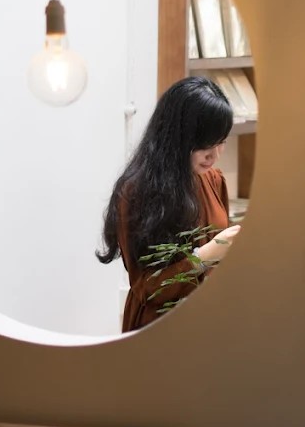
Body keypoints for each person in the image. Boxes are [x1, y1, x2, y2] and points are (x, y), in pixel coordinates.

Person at [98, 76, 241, 331]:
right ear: (178, 138)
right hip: (159, 331)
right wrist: (205, 255)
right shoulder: (137, 193)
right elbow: (148, 289)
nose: (215, 154)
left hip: (208, 323)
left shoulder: (212, 179)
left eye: (221, 142)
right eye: (206, 143)